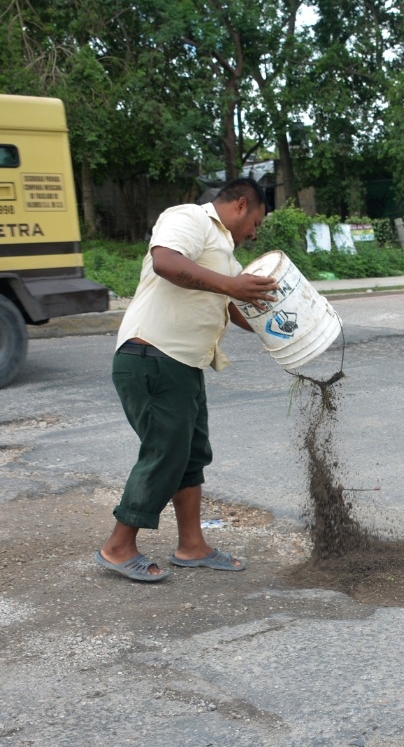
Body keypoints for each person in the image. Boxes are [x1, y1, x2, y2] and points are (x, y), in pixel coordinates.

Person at [95, 177, 278, 582]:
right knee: (166, 451)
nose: (253, 234)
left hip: (184, 364)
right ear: (241, 205)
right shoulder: (190, 218)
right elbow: (166, 262)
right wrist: (233, 285)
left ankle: (192, 545)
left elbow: (236, 309)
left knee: (191, 455)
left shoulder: (225, 258)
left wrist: (285, 330)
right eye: (256, 223)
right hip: (152, 354)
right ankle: (118, 546)